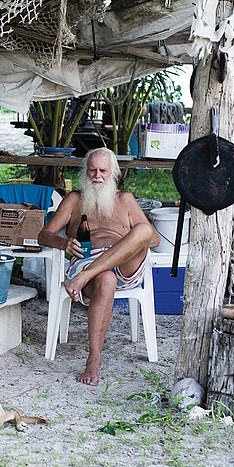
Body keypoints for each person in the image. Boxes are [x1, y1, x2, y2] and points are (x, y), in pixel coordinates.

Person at [38, 147, 160, 386]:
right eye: (92, 170)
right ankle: (94, 359)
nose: (97, 175)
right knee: (106, 280)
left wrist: (122, 245)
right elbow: (45, 235)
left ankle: (85, 276)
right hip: (86, 260)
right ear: (85, 172)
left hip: (123, 264)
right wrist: (64, 243)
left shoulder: (125, 200)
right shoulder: (74, 200)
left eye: (103, 170)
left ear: (113, 172)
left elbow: (152, 238)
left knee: (143, 230)